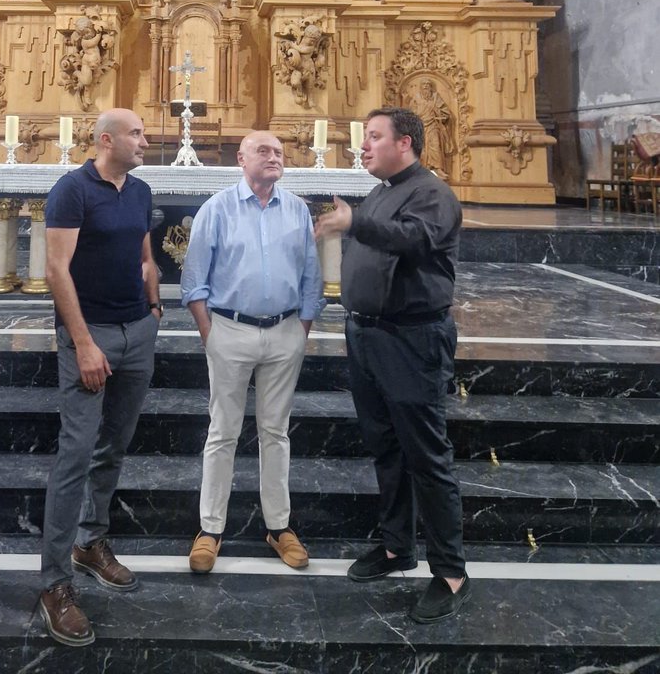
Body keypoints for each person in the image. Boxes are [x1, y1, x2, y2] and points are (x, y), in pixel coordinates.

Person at [315, 107, 470, 624]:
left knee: (426, 455)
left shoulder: (431, 193)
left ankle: (450, 571)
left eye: (373, 137)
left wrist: (355, 221)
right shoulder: (382, 191)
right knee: (386, 448)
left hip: (412, 339)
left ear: (405, 142)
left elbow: (413, 239)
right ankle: (395, 546)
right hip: (369, 337)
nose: (363, 146)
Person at [39, 109, 161, 648]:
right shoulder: (72, 189)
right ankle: (53, 584)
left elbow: (142, 252)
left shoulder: (139, 189)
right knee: (76, 453)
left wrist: (154, 306)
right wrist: (84, 342)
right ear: (106, 140)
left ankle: (91, 543)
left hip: (137, 330)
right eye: (136, 133)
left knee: (113, 446)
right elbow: (55, 268)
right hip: (90, 337)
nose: (145, 140)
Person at [181, 131, 322, 574]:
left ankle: (279, 526)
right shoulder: (217, 208)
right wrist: (211, 333)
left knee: (276, 432)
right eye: (264, 151)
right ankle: (210, 530)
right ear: (241, 159)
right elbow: (194, 279)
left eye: (279, 152)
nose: (274, 158)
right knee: (223, 431)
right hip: (229, 329)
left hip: (285, 332)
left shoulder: (297, 209)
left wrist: (300, 331)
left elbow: (311, 279)